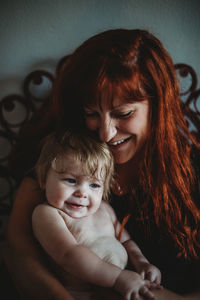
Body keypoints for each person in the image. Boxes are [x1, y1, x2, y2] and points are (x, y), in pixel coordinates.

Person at [3, 28, 200, 300]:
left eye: (123, 113)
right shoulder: (63, 158)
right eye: (91, 113)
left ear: (159, 107)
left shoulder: (192, 169)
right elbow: (18, 251)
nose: (105, 134)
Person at [32, 130, 161, 300]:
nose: (83, 193)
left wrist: (141, 263)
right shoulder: (47, 214)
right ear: (43, 179)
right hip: (85, 294)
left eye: (94, 185)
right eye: (71, 180)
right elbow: (69, 254)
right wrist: (117, 278)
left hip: (125, 284)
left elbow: (127, 241)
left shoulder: (105, 209)